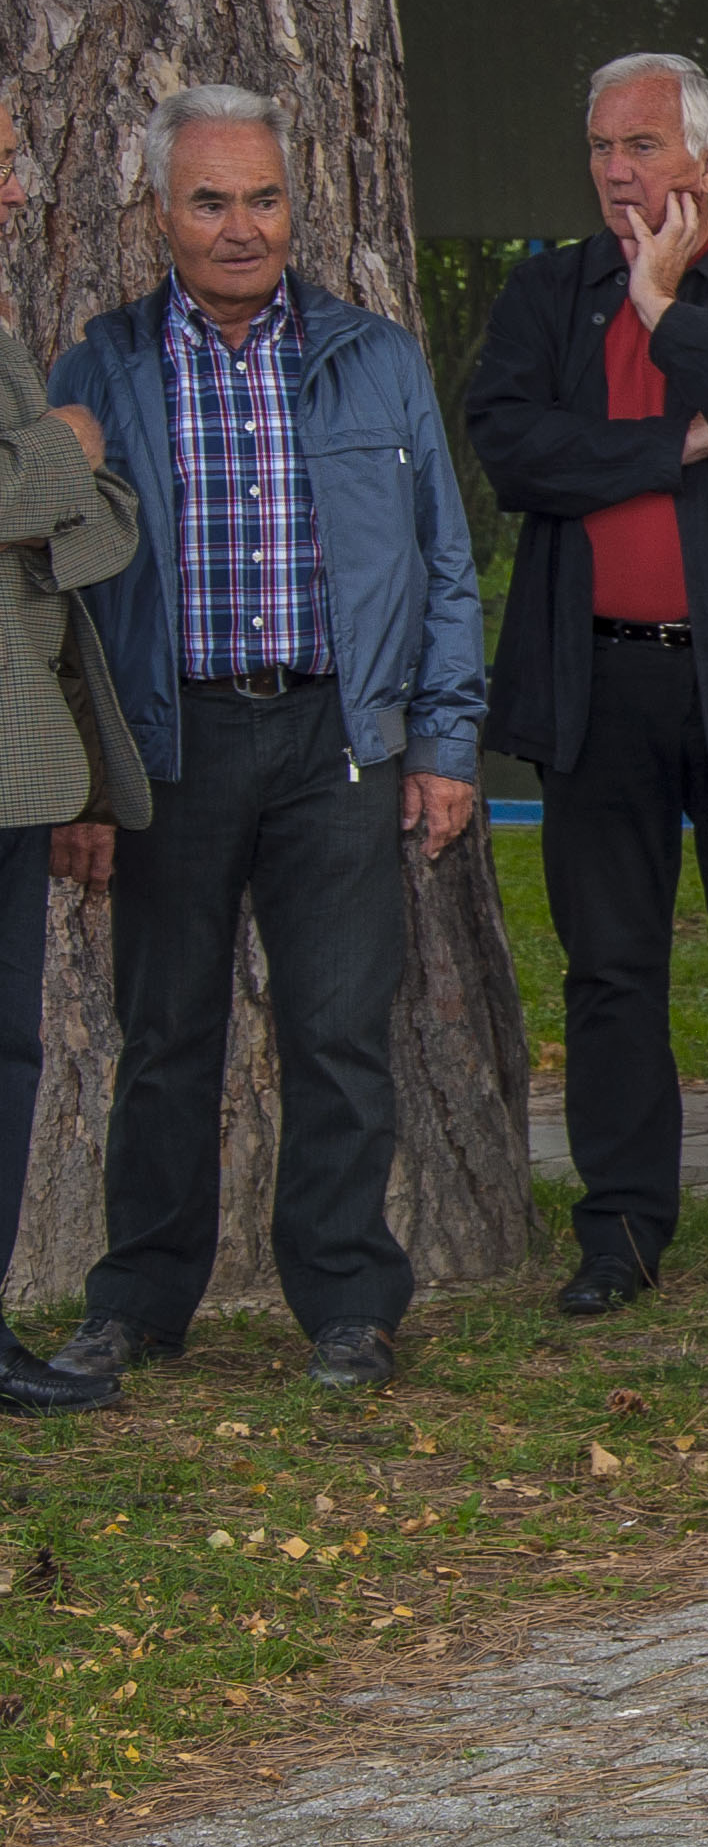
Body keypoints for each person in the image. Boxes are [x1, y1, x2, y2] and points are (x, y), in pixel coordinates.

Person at [43, 86, 490, 1394]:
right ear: (161, 212)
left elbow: (442, 565)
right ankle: (138, 1304)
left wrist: (446, 744)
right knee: (165, 1036)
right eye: (210, 200)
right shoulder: (103, 363)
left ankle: (350, 1304)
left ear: (293, 205)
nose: (242, 227)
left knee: (341, 1031)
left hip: (334, 743)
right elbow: (58, 597)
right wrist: (82, 777)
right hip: (169, 748)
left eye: (264, 198)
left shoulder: (375, 356)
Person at [465, 52, 708, 1315]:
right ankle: (621, 1229)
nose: (614, 169)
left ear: (707, 162)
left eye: (639, 145)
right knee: (611, 968)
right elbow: (514, 449)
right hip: (602, 686)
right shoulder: (545, 294)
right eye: (599, 146)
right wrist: (671, 444)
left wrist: (671, 313)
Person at [0, 100, 145, 1416]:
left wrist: (53, 484)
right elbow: (54, 496)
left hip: (17, 764)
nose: (11, 176)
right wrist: (65, 452)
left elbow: (91, 538)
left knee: (9, 1051)